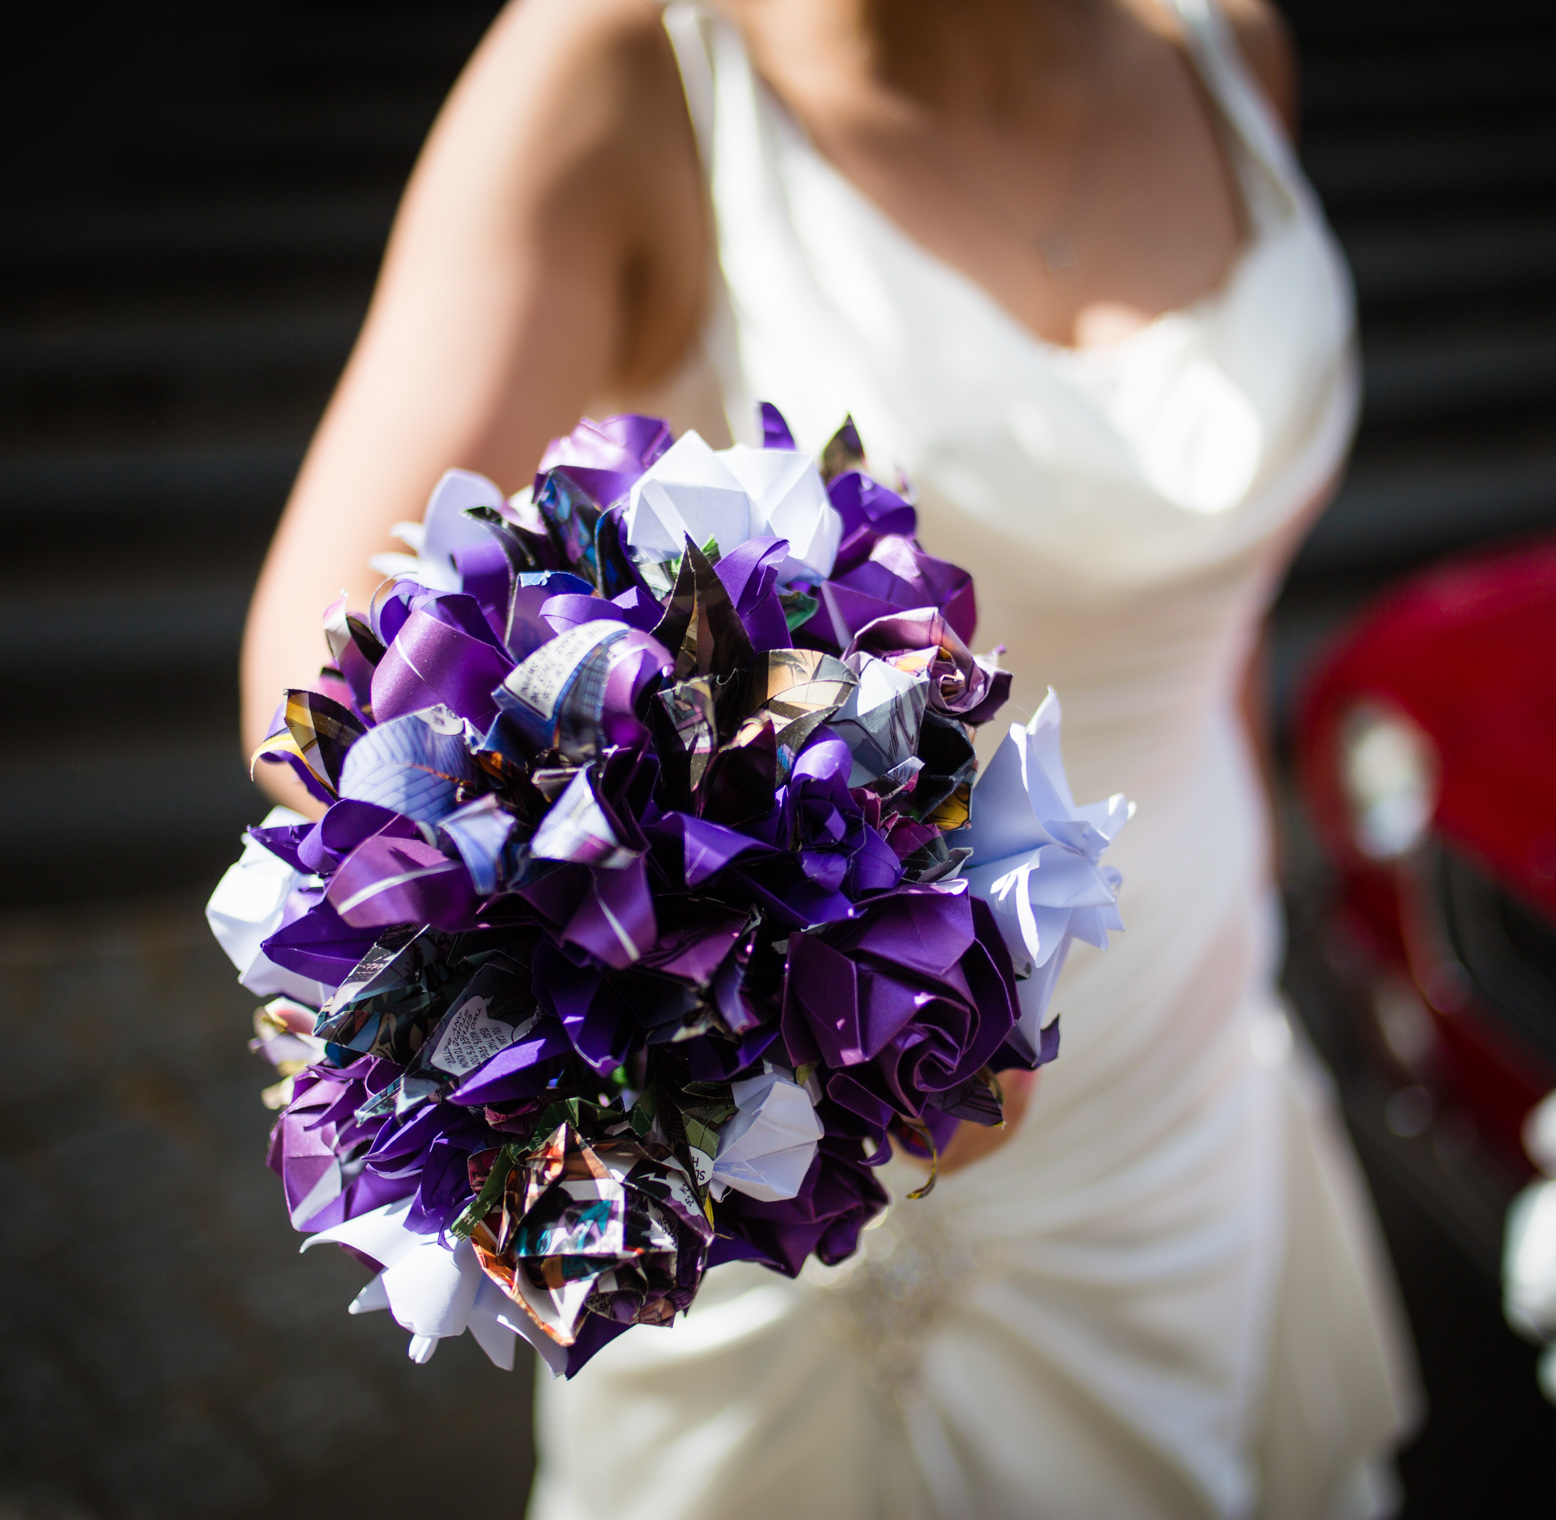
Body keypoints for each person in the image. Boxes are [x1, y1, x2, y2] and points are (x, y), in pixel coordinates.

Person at [240, 0, 1419, 1514]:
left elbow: (1204, 620)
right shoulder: (628, 67)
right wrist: (767, 1012)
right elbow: (324, 694)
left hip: (1195, 1058)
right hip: (836, 1117)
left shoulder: (1226, 50)